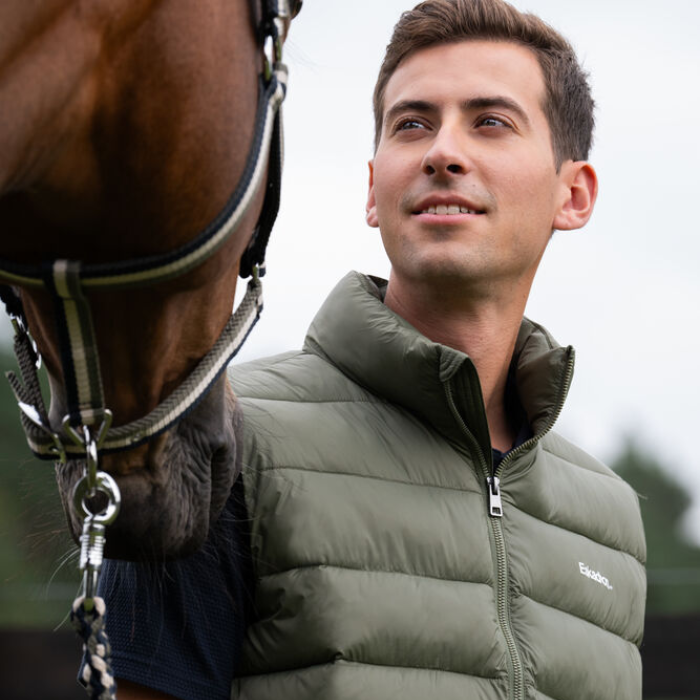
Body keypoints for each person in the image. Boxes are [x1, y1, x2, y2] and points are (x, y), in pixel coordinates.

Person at [100, 1, 646, 698]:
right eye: (412, 124)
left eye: (491, 122)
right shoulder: (218, 443)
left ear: (573, 194)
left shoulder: (611, 523)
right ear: (372, 189)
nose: (442, 151)